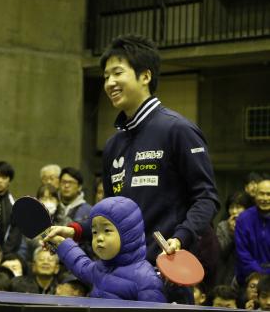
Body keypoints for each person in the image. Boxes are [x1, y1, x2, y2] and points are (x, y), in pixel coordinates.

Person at [45, 34, 219, 302]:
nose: (109, 83)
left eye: (117, 73)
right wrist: (77, 231)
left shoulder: (178, 130)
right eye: (105, 77)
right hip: (115, 280)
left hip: (163, 278)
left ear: (145, 76)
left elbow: (206, 198)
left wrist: (180, 239)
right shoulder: (113, 145)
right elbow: (112, 212)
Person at [47, 196, 165, 302]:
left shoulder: (146, 279)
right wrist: (61, 243)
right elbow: (80, 264)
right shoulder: (99, 269)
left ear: (128, 234)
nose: (99, 238)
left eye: (107, 231)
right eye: (95, 232)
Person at [234, 175, 270, 285]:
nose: (265, 198)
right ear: (255, 195)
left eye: (268, 194)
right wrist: (260, 274)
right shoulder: (243, 218)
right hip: (248, 278)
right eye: (261, 194)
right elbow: (242, 253)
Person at [215, 191, 253, 286]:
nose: (234, 211)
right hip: (226, 271)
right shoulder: (223, 226)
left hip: (249, 268)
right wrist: (232, 233)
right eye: (231, 207)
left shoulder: (253, 225)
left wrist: (240, 232)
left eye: (238, 207)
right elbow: (222, 254)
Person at [0, 161, 21, 253]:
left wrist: (4, 254)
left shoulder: (14, 204)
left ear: (9, 180)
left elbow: (15, 235)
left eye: (4, 177)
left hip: (6, 253)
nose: (0, 181)